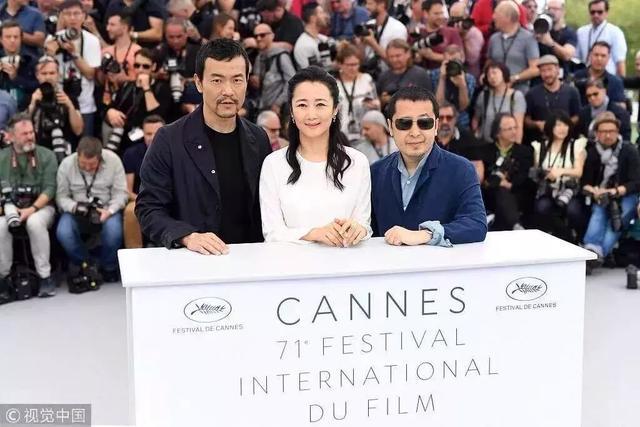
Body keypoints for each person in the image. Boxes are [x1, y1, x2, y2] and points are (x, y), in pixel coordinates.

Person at [136, 39, 272, 254]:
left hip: (249, 260)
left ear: (247, 81)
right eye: (217, 80)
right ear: (198, 83)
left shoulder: (258, 138)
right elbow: (149, 209)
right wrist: (187, 236)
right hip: (195, 262)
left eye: (237, 80)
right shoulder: (169, 139)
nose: (228, 91)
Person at [259, 66, 371, 246]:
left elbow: (364, 223)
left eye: (320, 104)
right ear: (292, 111)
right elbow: (272, 233)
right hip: (291, 262)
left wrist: (359, 230)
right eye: (302, 105)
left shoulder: (357, 162)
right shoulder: (273, 164)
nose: (311, 115)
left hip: (346, 260)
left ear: (335, 109)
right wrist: (313, 233)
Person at [370, 87, 486, 246]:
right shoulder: (375, 172)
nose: (415, 132)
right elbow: (368, 228)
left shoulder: (461, 169)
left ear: (436, 125)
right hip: (388, 261)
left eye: (424, 123)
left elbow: (476, 224)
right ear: (390, 127)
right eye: (404, 123)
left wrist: (426, 234)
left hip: (441, 262)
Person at [0, 113, 58, 300]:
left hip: (41, 207)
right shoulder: (2, 158)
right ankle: (3, 279)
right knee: (0, 226)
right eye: (24, 134)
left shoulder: (46, 155)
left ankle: (45, 277)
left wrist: (31, 209)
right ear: (11, 136)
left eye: (31, 132)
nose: (30, 137)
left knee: (34, 222)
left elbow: (50, 189)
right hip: (9, 207)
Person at [56, 136, 128, 283]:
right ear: (77, 154)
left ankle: (108, 267)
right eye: (83, 164)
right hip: (76, 210)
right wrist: (75, 207)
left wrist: (110, 211)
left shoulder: (113, 161)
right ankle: (86, 264)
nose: (88, 168)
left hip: (106, 209)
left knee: (114, 231)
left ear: (100, 157)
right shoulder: (66, 164)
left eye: (92, 164)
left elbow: (121, 193)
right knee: (63, 232)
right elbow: (61, 197)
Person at [582, 112, 640, 273]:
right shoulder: (593, 152)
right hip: (602, 194)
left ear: (617, 132)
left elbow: (636, 182)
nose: (607, 135)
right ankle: (590, 250)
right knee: (599, 212)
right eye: (603, 131)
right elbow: (585, 182)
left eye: (611, 131)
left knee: (617, 218)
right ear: (597, 133)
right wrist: (594, 191)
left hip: (626, 193)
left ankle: (595, 255)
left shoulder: (629, 150)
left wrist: (616, 190)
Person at [45, 0, 101, 137]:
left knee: (84, 145)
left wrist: (74, 53)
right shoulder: (53, 39)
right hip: (58, 102)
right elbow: (45, 74)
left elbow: (90, 74)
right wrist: (50, 54)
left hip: (84, 105)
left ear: (84, 16)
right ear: (62, 17)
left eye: (76, 14)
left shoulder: (92, 40)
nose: (72, 18)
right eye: (68, 14)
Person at [530, 111, 587, 242]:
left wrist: (560, 171)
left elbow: (578, 172)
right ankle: (552, 237)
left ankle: (573, 239)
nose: (563, 129)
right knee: (541, 207)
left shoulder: (576, 145)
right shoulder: (541, 147)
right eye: (558, 125)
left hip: (570, 191)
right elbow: (537, 171)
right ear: (550, 127)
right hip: (549, 189)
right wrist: (546, 174)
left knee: (573, 211)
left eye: (565, 125)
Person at [103, 48, 172, 154]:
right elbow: (110, 107)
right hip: (124, 139)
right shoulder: (127, 86)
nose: (140, 70)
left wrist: (146, 88)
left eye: (145, 66)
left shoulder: (161, 88)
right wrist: (110, 112)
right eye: (137, 65)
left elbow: (157, 115)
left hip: (149, 140)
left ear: (153, 67)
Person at [479, 112, 534, 231]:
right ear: (497, 132)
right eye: (509, 129)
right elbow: (484, 179)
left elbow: (524, 177)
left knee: (503, 193)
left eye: (515, 128)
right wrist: (496, 182)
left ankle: (514, 225)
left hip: (516, 193)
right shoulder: (485, 150)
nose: (514, 132)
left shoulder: (524, 151)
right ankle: (515, 225)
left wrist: (508, 184)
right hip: (489, 194)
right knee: (499, 192)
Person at [28, 55, 84, 160]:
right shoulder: (31, 97)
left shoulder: (68, 97)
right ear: (37, 75)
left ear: (58, 75)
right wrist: (32, 104)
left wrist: (70, 106)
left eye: (52, 73)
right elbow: (22, 126)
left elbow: (78, 130)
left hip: (65, 149)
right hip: (40, 151)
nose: (48, 77)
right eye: (44, 73)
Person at [122, 115, 164, 249]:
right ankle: (134, 253)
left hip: (168, 198)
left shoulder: (175, 152)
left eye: (156, 133)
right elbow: (128, 190)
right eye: (148, 134)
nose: (152, 137)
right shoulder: (131, 154)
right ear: (143, 134)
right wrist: (145, 200)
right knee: (130, 211)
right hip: (139, 199)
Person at [524, 55, 581, 142]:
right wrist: (537, 124)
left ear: (558, 70)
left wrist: (564, 125)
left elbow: (577, 116)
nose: (547, 74)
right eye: (543, 71)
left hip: (566, 140)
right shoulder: (532, 94)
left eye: (550, 69)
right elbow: (526, 120)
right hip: (540, 140)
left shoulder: (572, 91)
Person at [487, 0, 540, 93]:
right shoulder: (494, 39)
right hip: (495, 92)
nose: (493, 17)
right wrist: (485, 74)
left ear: (508, 17)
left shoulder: (528, 38)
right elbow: (489, 62)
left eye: (496, 14)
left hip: (518, 93)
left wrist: (515, 78)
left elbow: (535, 69)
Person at [335, 42, 379, 142]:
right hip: (341, 134)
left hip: (365, 133)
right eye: (349, 65)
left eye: (356, 64)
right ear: (340, 64)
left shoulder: (366, 79)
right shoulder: (333, 83)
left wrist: (373, 105)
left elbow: (376, 105)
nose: (353, 68)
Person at [472, 62, 526, 144]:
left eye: (495, 73)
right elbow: (476, 119)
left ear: (504, 74)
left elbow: (519, 125)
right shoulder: (484, 95)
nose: (492, 77)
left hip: (507, 143)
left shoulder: (516, 96)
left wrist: (517, 146)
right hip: (485, 143)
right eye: (489, 75)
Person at [249, 23, 296, 115]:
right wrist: (254, 81)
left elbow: (292, 81)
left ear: (271, 36)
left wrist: (278, 103)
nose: (258, 38)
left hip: (279, 109)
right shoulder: (259, 57)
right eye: (256, 36)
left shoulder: (281, 56)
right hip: (262, 107)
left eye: (262, 35)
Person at [376, 39, 432, 109]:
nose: (394, 60)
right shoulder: (383, 76)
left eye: (398, 56)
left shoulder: (420, 74)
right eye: (391, 57)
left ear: (408, 54)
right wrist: (383, 100)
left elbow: (429, 101)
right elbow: (377, 102)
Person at [576, 0, 626, 76]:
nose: (596, 15)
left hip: (608, 78)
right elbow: (577, 58)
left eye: (600, 12)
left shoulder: (615, 32)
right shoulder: (581, 32)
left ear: (606, 13)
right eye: (592, 12)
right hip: (585, 77)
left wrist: (621, 82)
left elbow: (620, 62)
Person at [100, 12, 141, 106]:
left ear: (124, 27)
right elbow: (99, 81)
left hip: (132, 102)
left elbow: (145, 79)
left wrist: (126, 79)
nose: (107, 28)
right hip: (108, 102)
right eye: (108, 24)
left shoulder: (138, 51)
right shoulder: (105, 52)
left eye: (112, 25)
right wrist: (104, 72)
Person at [431, 45, 475, 129]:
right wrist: (442, 78)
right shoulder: (434, 75)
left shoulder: (469, 78)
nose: (452, 66)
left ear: (462, 59)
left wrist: (462, 85)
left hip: (461, 121)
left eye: (455, 61)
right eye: (449, 62)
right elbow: (439, 104)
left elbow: (463, 107)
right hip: (440, 120)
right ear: (443, 59)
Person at [437, 102, 483, 179]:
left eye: (449, 118)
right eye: (441, 118)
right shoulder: (427, 139)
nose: (445, 122)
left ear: (455, 119)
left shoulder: (469, 139)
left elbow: (478, 171)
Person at [573, 41, 625, 108]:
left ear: (608, 58)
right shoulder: (576, 77)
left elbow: (621, 108)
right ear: (590, 56)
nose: (599, 59)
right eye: (596, 55)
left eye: (603, 56)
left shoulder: (615, 82)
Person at [0, 20, 38, 111]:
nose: (12, 40)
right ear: (1, 39)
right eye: (8, 37)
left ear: (21, 38)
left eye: (16, 37)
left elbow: (37, 86)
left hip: (25, 110)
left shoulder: (31, 60)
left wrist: (15, 78)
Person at [415, 0, 463, 70]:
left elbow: (461, 58)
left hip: (447, 73)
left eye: (442, 13)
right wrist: (417, 57)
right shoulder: (417, 33)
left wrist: (433, 56)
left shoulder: (452, 32)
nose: (440, 16)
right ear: (426, 14)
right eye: (436, 14)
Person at [534, 0, 577, 78]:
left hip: (560, 77)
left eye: (555, 9)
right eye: (549, 9)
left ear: (563, 11)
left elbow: (567, 55)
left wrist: (550, 43)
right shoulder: (541, 30)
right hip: (541, 77)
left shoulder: (569, 32)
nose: (551, 11)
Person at [359, 0, 408, 65]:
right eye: (366, 3)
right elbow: (362, 58)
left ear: (382, 5)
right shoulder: (368, 25)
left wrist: (373, 44)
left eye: (370, 4)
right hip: (368, 69)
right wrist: (360, 43)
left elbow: (396, 62)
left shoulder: (397, 28)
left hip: (389, 70)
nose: (366, 7)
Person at [449, 1, 483, 79]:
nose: (456, 23)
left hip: (470, 76)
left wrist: (463, 36)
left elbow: (472, 60)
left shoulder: (475, 33)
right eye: (452, 19)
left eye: (458, 19)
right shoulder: (450, 31)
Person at [293, 2, 332, 70]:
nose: (325, 16)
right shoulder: (303, 45)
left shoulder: (324, 39)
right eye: (321, 13)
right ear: (312, 18)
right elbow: (311, 73)